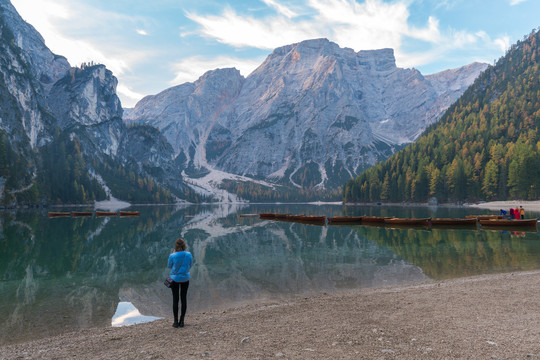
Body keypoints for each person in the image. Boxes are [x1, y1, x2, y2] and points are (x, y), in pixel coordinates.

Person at [167, 238, 193, 328]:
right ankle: (182, 321)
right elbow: (190, 265)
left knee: (175, 300)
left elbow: (169, 266)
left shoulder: (172, 255)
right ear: (184, 245)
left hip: (174, 280)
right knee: (183, 299)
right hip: (185, 279)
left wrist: (174, 254)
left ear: (176, 246)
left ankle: (175, 322)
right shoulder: (189, 254)